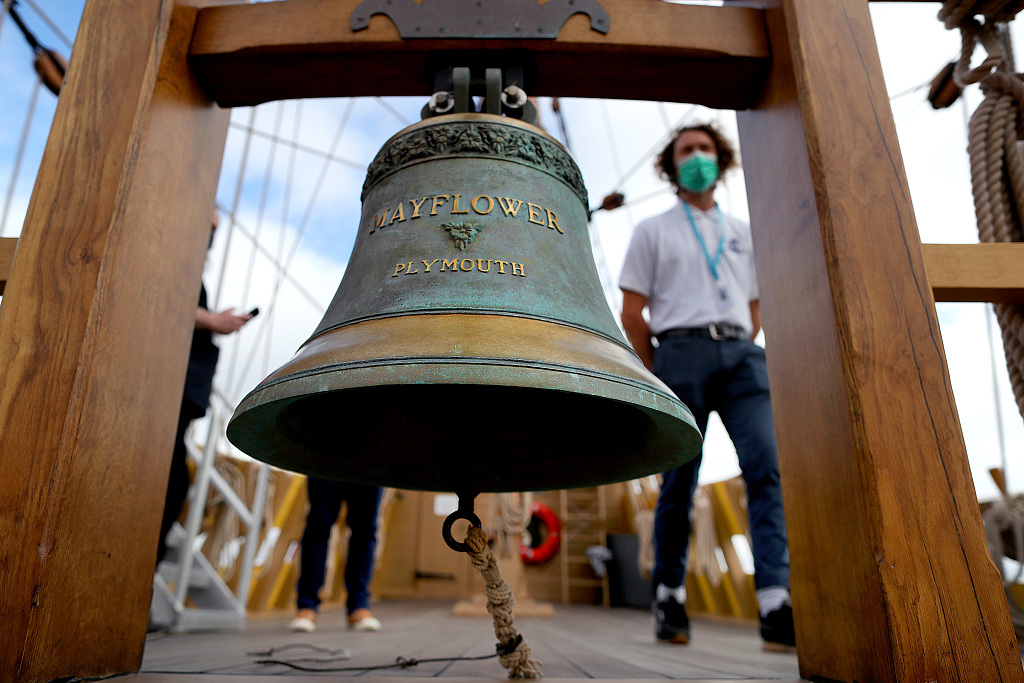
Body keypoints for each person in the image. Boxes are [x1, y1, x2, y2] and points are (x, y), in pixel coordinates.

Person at [618, 123, 795, 651]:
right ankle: (669, 593)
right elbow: (632, 312)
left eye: (705, 149)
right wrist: (656, 370)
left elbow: (756, 303)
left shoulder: (744, 232)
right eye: (686, 150)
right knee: (680, 478)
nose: (697, 156)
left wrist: (737, 344)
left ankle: (775, 600)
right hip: (679, 354)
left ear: (721, 159)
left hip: (742, 356)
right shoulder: (652, 231)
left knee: (766, 468)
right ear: (671, 165)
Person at [157, 209, 253, 564]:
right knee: (169, 485)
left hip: (180, 394)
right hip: (165, 391)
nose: (211, 235)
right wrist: (212, 320)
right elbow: (161, 299)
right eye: (209, 226)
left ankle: (146, 576)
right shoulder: (171, 260)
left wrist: (212, 321)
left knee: (173, 484)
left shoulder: (188, 270)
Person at [288, 477, 384, 633]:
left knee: (365, 528)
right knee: (317, 524)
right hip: (327, 463)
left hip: (371, 465)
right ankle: (307, 605)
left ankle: (359, 605)